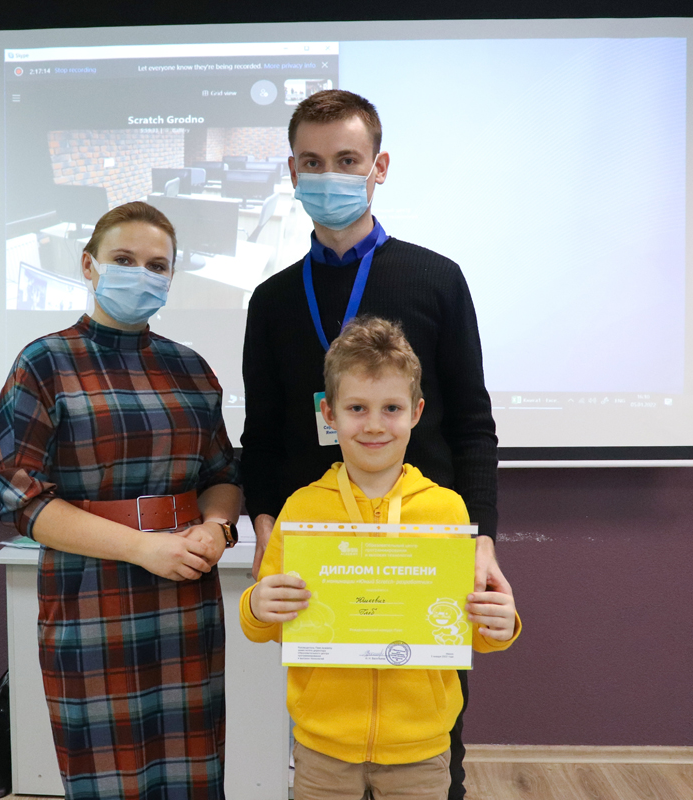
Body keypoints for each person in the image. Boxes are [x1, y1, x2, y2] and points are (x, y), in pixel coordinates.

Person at [240, 89, 507, 799]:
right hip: (320, 548)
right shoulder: (271, 300)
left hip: (423, 548)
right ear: (292, 172)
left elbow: (473, 424)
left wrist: (480, 540)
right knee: (330, 741)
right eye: (312, 162)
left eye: (347, 160)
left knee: (427, 752)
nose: (329, 175)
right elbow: (260, 434)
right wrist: (265, 530)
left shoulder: (438, 279)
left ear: (378, 167)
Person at [0, 201, 243, 800]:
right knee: (107, 774)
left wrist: (217, 528)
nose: (142, 275)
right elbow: (20, 498)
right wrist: (141, 548)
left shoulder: (191, 368)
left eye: (157, 265)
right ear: (89, 265)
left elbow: (222, 474)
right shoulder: (44, 363)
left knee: (192, 770)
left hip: (186, 595)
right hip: (90, 595)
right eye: (124, 259)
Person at [240, 316, 520, 800]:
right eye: (357, 408)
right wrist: (257, 606)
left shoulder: (447, 510)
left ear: (417, 412)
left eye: (391, 408)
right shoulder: (302, 509)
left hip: (421, 748)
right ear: (329, 413)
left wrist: (500, 624)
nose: (373, 424)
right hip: (322, 747)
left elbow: (464, 627)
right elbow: (266, 627)